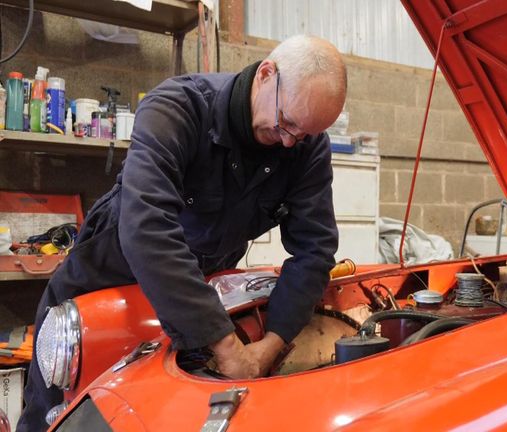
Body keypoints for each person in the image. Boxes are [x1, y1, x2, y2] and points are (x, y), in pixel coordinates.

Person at [17, 35, 347, 431]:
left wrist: (272, 344)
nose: (291, 140)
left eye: (305, 134)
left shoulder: (306, 145)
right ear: (265, 75)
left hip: (201, 292)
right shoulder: (176, 107)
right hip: (109, 277)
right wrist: (224, 344)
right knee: (65, 416)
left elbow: (315, 250)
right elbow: (148, 228)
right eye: (286, 124)